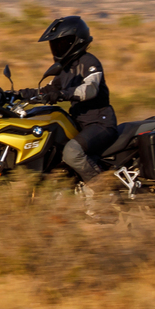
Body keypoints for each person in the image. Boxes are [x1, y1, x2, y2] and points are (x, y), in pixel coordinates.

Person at [34, 15, 115, 186]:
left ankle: (104, 190)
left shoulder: (90, 62)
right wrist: (19, 94)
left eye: (62, 43)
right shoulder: (65, 69)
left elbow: (89, 90)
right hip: (78, 123)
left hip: (99, 123)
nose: (57, 48)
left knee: (72, 152)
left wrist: (62, 94)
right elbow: (49, 89)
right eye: (55, 44)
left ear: (76, 42)